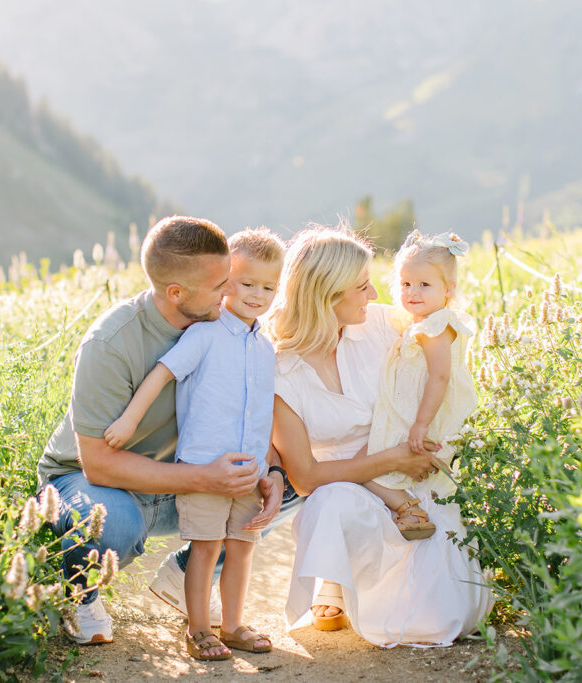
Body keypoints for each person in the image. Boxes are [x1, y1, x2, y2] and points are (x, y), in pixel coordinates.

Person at [36, 216, 291, 645]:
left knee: (282, 484)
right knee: (110, 523)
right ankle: (79, 595)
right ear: (177, 293)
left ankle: (187, 568)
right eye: (220, 286)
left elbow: (253, 411)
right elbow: (97, 465)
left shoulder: (227, 332)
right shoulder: (111, 343)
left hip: (173, 477)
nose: (232, 292)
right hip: (90, 480)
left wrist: (276, 472)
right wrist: (206, 478)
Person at [267, 224, 492, 647]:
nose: (374, 295)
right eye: (362, 287)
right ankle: (332, 582)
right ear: (327, 297)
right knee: (330, 502)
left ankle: (371, 583)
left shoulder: (383, 324)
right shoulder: (282, 372)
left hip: (415, 476)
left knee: (444, 615)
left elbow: (441, 352)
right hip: (346, 486)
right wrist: (389, 461)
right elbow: (307, 478)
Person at [103, 227, 285, 660]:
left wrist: (268, 468)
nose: (257, 295)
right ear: (225, 282)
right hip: (202, 469)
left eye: (268, 287)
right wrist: (128, 421)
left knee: (241, 549)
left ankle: (234, 624)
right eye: (245, 284)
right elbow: (163, 373)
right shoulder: (205, 334)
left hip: (248, 472)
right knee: (206, 548)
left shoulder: (265, 347)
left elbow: (263, 412)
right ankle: (198, 628)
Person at [362, 230, 479, 540]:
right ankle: (411, 510)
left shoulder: (436, 326)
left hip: (423, 414)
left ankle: (410, 509)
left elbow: (440, 376)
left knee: (368, 468)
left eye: (424, 285)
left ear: (448, 289)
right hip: (414, 408)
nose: (412, 292)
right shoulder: (423, 322)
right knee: (377, 466)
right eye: (405, 283)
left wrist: (421, 424)